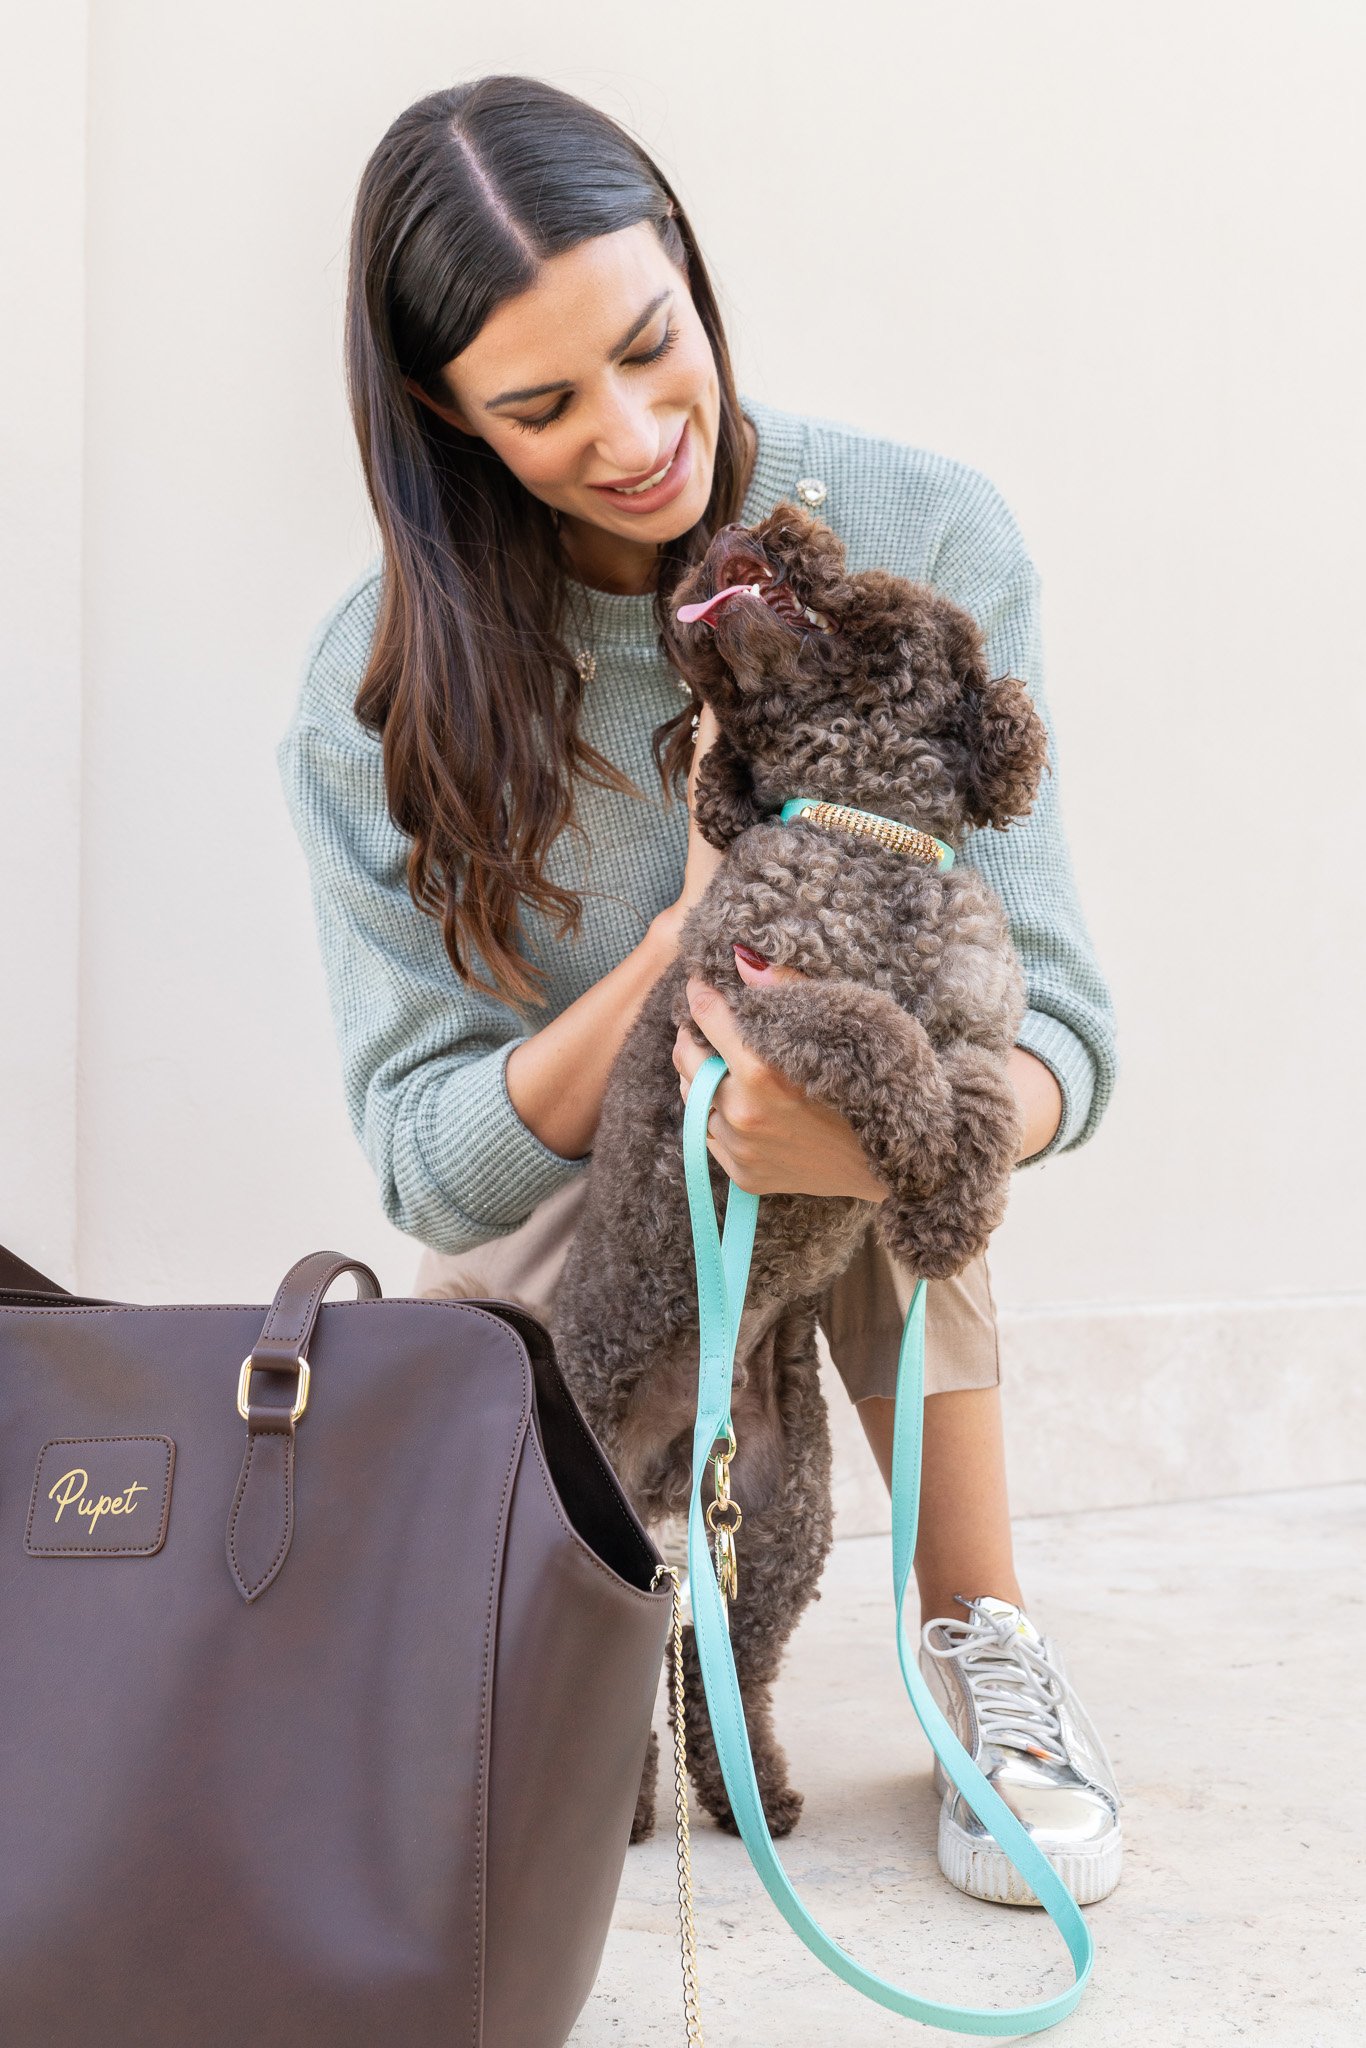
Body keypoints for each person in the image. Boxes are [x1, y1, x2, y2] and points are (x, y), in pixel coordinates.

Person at [277, 74, 1124, 1908]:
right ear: (440, 411)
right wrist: (680, 943)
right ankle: (552, 1622)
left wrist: (902, 1127)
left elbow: (1061, 1010)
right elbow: (430, 1159)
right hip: (590, 1207)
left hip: (872, 1169)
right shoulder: (376, 688)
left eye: (652, 345)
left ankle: (981, 1641)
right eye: (541, 404)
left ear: (684, 262)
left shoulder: (922, 525)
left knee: (921, 1067)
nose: (638, 430)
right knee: (568, 1255)